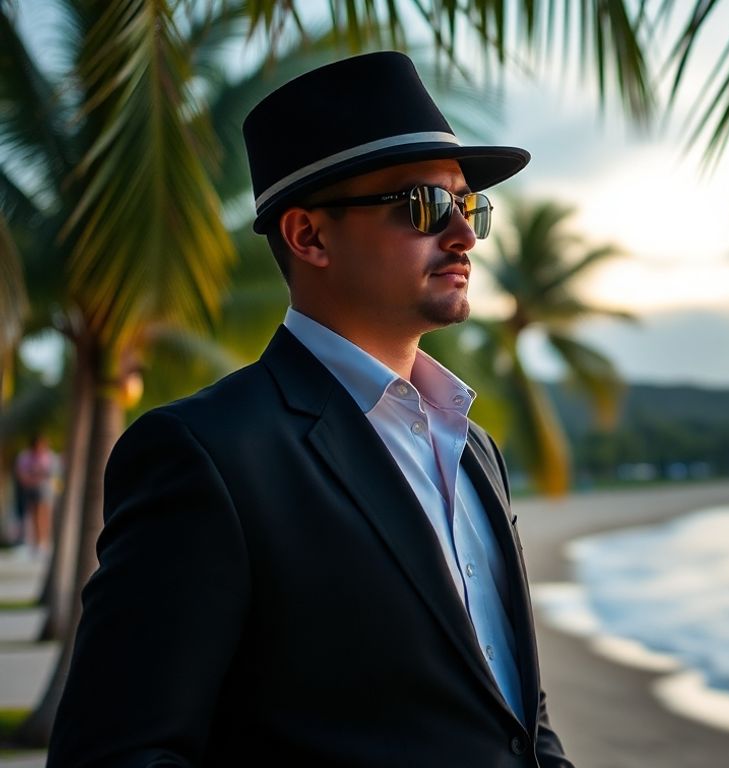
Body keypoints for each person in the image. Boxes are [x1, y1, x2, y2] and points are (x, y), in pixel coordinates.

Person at [50, 52, 573, 767]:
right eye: (424, 204)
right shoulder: (208, 454)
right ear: (309, 236)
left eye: (470, 205)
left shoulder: (473, 446)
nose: (463, 236)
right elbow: (117, 753)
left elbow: (518, 718)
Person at [14, 433, 56, 554]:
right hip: (30, 490)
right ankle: (36, 543)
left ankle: (43, 542)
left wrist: (36, 476)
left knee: (44, 515)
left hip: (44, 489)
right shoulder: (25, 457)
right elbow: (22, 476)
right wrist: (36, 477)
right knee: (34, 515)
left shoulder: (48, 456)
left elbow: (51, 474)